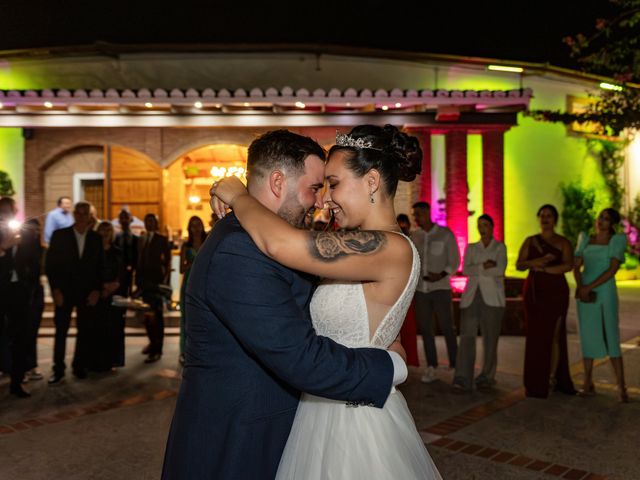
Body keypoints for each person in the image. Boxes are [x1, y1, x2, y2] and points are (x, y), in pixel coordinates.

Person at [162, 130, 414, 480]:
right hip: (242, 437)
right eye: (317, 187)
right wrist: (387, 364)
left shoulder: (385, 247)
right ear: (278, 182)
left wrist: (237, 194)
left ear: (372, 181)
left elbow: (283, 246)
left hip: (339, 416)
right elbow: (300, 348)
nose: (322, 201)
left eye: (332, 184)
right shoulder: (241, 247)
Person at [517, 204, 575, 398]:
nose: (545, 218)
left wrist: (544, 269)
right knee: (535, 336)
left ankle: (552, 377)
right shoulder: (531, 241)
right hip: (534, 293)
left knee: (555, 335)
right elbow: (520, 264)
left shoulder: (563, 242)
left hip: (556, 292)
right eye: (542, 215)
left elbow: (568, 265)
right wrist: (535, 263)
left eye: (549, 215)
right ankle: (535, 381)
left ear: (555, 219)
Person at [45, 201, 104, 384]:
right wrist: (55, 289)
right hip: (64, 292)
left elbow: (99, 267)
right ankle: (58, 369)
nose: (81, 216)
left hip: (86, 293)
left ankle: (79, 366)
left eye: (84, 213)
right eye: (78, 213)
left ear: (89, 217)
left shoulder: (96, 238)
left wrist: (96, 290)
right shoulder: (60, 235)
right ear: (74, 215)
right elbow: (50, 265)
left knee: (84, 330)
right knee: (61, 331)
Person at [574, 208, 628, 402]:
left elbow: (613, 269)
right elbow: (576, 265)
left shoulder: (616, 241)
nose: (601, 221)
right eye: (600, 217)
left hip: (604, 290)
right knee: (587, 335)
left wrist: (590, 286)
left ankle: (622, 387)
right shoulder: (586, 239)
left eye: (606, 219)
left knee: (611, 335)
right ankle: (588, 382)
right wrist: (581, 287)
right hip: (586, 290)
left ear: (612, 223)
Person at [452, 214, 506, 393]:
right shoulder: (471, 247)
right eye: (479, 225)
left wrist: (479, 268)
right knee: (467, 337)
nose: (482, 228)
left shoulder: (500, 247)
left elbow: (500, 270)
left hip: (493, 299)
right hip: (471, 296)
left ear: (492, 227)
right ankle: (462, 377)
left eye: (485, 225)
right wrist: (485, 266)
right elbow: (466, 269)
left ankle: (487, 376)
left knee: (491, 339)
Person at [411, 201, 460, 383]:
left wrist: (441, 274)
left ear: (427, 213)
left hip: (441, 288)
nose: (416, 218)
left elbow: (454, 261)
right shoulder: (414, 236)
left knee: (447, 327)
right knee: (426, 328)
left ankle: (456, 365)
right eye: (414, 215)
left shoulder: (445, 234)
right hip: (421, 289)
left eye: (418, 214)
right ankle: (431, 366)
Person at [0, 197, 41, 397]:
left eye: (9, 211)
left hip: (20, 293)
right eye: (2, 211)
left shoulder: (27, 234)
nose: (5, 215)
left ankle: (17, 382)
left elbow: (35, 264)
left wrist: (29, 288)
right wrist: (3, 248)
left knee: (20, 338)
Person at [88, 221, 124, 372]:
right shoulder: (92, 251)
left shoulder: (117, 251)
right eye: (102, 230)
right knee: (95, 330)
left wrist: (114, 286)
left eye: (108, 231)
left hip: (113, 295)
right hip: (96, 293)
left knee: (113, 330)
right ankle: (94, 362)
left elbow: (122, 272)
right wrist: (101, 287)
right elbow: (89, 272)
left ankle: (111, 362)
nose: (105, 233)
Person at [136, 213, 171, 363]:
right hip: (144, 284)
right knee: (147, 316)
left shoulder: (162, 240)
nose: (149, 224)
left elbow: (168, 263)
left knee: (157, 318)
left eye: (152, 221)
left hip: (156, 284)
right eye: (147, 221)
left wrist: (164, 283)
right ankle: (151, 343)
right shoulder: (142, 239)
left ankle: (158, 349)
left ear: (156, 224)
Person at [178, 216, 207, 365]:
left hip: (203, 282)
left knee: (202, 316)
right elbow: (181, 269)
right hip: (188, 282)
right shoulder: (186, 245)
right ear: (189, 228)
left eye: (198, 224)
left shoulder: (208, 241)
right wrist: (192, 262)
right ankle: (184, 351)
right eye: (193, 225)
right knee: (186, 317)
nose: (196, 228)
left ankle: (202, 350)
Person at [112, 209, 138, 367]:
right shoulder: (115, 237)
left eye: (126, 217)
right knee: (116, 319)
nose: (124, 220)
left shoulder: (136, 238)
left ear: (131, 219)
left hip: (130, 280)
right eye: (121, 217)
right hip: (116, 281)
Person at [22, 218, 45, 383]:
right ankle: (18, 367)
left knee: (32, 331)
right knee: (19, 332)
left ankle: (31, 365)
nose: (35, 232)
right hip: (20, 293)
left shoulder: (43, 250)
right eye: (31, 229)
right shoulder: (16, 248)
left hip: (36, 293)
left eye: (37, 229)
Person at [397, 214, 420, 367]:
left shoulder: (412, 241)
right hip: (394, 288)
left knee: (408, 328)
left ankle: (409, 360)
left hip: (406, 290)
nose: (403, 228)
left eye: (405, 225)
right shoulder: (395, 241)